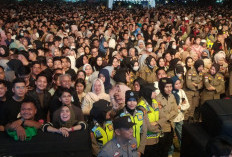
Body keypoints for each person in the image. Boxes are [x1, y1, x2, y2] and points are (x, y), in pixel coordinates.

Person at [118, 90, 147, 156]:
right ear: (126, 101)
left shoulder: (140, 113)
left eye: (134, 100)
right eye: (129, 100)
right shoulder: (121, 114)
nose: (132, 103)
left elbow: (144, 131)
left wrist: (140, 149)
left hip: (138, 149)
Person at [155, 77, 178, 157]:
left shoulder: (172, 96)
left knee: (168, 146)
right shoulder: (157, 99)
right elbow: (161, 115)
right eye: (166, 87)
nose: (169, 89)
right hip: (162, 128)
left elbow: (176, 111)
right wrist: (170, 114)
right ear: (162, 87)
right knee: (161, 149)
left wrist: (168, 116)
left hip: (171, 126)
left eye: (171, 86)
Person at [138, 85, 161, 157]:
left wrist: (157, 123)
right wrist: (159, 127)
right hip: (147, 140)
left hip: (156, 138)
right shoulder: (141, 106)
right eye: (153, 91)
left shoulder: (155, 102)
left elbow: (162, 116)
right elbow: (148, 126)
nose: (155, 93)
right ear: (148, 93)